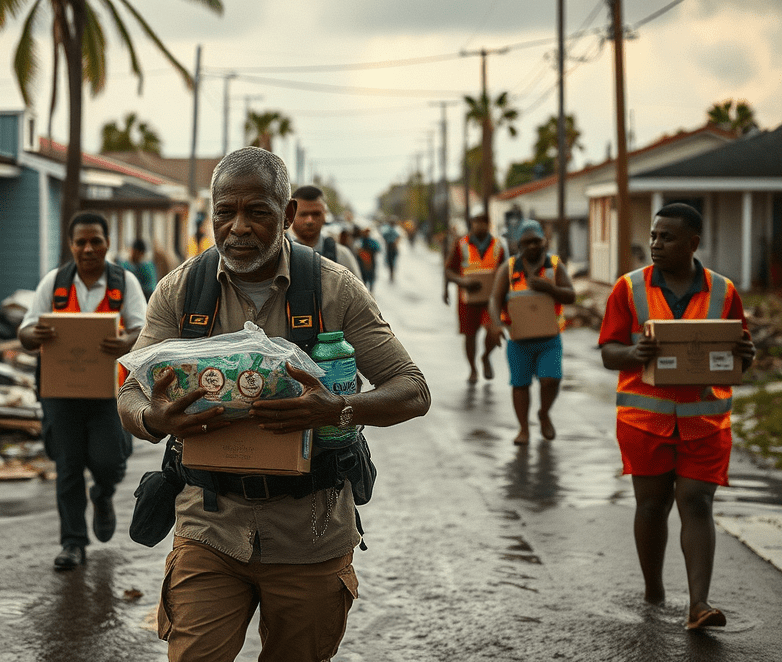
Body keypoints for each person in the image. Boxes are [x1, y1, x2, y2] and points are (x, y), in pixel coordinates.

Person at [117, 147, 431, 662]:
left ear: (286, 216)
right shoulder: (181, 291)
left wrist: (336, 409)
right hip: (208, 527)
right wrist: (154, 418)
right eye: (224, 211)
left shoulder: (334, 289)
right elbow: (130, 387)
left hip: (311, 532)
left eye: (257, 212)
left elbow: (412, 388)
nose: (237, 227)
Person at [597, 203, 755, 630]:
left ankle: (698, 604)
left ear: (693, 243)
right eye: (653, 236)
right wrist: (633, 354)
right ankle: (654, 591)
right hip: (643, 423)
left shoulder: (724, 292)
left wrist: (747, 357)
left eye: (666, 237)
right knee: (651, 506)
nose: (655, 244)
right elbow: (609, 351)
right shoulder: (628, 289)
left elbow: (736, 357)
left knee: (697, 503)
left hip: (705, 423)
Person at [19, 211, 147, 571]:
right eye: (81, 242)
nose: (88, 249)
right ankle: (73, 543)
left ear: (108, 244)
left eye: (96, 241)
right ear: (71, 245)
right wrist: (35, 335)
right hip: (60, 393)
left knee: (109, 461)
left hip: (109, 392)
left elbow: (145, 330)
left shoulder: (125, 283)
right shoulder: (55, 283)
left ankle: (103, 495)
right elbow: (25, 332)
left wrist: (125, 340)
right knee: (68, 465)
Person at [488, 219, 575, 445]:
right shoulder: (508, 268)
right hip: (519, 340)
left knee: (551, 380)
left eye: (536, 241)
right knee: (520, 385)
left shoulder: (555, 266)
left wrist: (550, 288)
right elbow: (495, 300)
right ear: (519, 244)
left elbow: (571, 295)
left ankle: (544, 413)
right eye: (527, 242)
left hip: (549, 338)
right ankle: (523, 429)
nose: (533, 246)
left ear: (544, 241)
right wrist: (497, 324)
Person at [444, 207, 506, 384]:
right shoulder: (461, 244)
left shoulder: (498, 246)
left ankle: (486, 356)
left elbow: (505, 272)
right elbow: (448, 271)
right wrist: (463, 282)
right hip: (468, 299)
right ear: (471, 223)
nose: (479, 225)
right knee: (469, 336)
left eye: (482, 221)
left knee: (494, 332)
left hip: (491, 300)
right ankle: (472, 369)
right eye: (475, 221)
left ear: (488, 224)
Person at [289, 184, 363, 279]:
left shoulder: (341, 255)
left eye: (316, 214)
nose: (309, 220)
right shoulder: (279, 256)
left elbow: (358, 292)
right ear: (291, 215)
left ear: (325, 215)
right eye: (303, 214)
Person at [355, 226, 381, 292]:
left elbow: (378, 249)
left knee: (370, 278)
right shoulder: (359, 241)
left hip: (370, 263)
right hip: (362, 263)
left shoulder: (372, 241)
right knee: (364, 279)